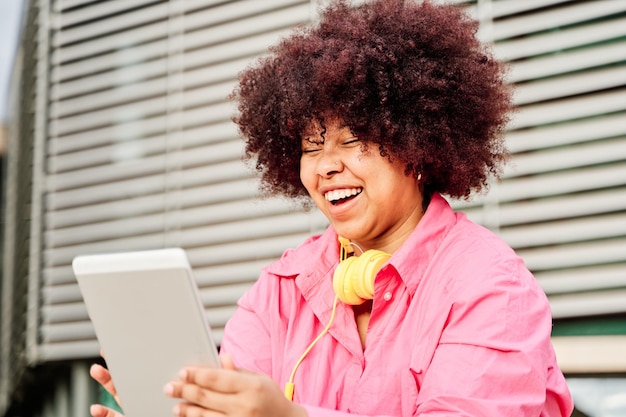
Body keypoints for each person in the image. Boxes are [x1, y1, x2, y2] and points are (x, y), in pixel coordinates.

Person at [89, 0, 574, 416]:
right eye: (312, 147)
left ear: (417, 147)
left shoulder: (490, 286)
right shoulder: (280, 293)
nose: (325, 168)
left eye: (353, 140)